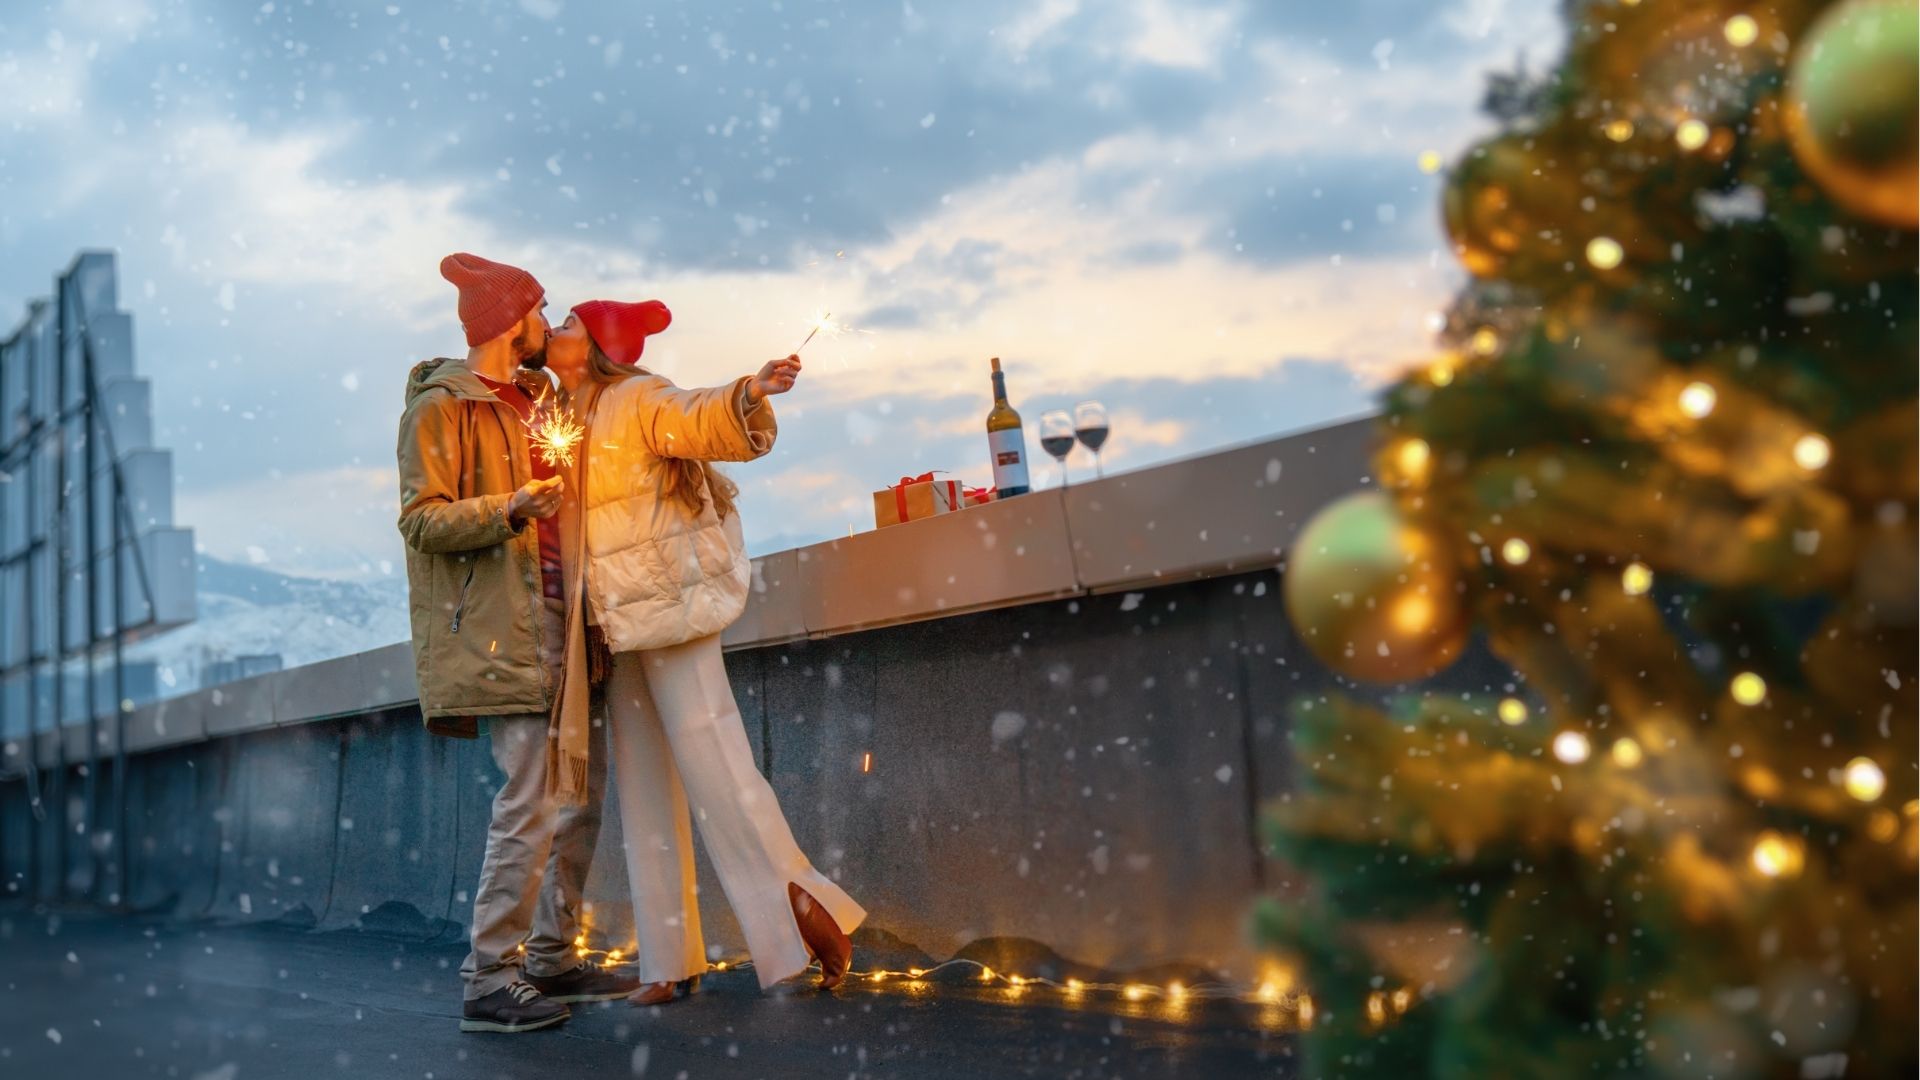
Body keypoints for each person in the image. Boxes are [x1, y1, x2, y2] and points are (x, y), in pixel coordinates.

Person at [538, 296, 865, 1006]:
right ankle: (668, 959)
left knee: (718, 763)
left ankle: (806, 907)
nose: (554, 332)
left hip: (671, 612)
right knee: (645, 785)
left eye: (567, 324)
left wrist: (748, 392)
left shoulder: (637, 395)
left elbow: (697, 418)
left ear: (598, 345)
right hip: (618, 624)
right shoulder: (573, 413)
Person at [397, 253, 636, 1033]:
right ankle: (488, 980)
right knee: (530, 801)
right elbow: (422, 520)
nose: (547, 321)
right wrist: (510, 506)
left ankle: (548, 956)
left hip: (566, 625)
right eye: (539, 308)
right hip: (503, 634)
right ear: (511, 319)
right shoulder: (441, 408)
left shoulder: (540, 399)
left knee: (579, 798)